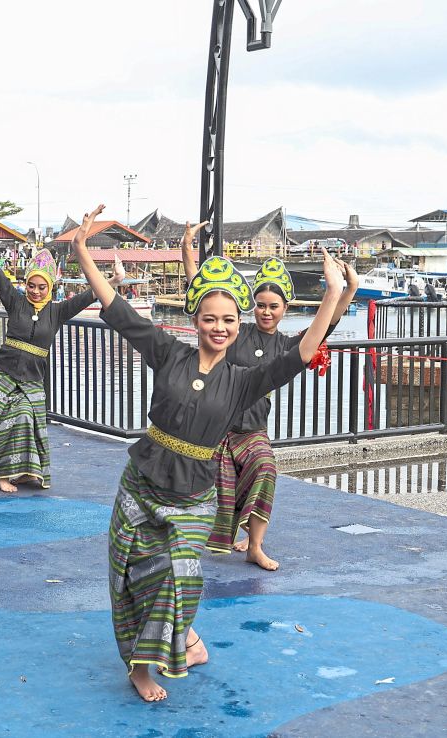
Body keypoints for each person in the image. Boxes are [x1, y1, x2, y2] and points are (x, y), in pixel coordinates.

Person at [71, 204, 345, 702]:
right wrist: (81, 251)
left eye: (229, 320)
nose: (220, 327)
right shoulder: (167, 351)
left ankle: (177, 641)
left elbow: (304, 352)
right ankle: (145, 663)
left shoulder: (244, 382)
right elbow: (118, 310)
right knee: (131, 571)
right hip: (142, 480)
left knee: (180, 578)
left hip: (196, 493)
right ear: (194, 319)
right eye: (210, 319)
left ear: (237, 324)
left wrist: (330, 293)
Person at [181, 224, 359, 570]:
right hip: (217, 428)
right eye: (260, 305)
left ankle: (256, 546)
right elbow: (204, 298)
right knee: (209, 481)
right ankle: (194, 539)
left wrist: (347, 289)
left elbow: (327, 324)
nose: (266, 311)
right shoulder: (235, 332)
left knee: (265, 467)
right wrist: (189, 251)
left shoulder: (287, 346)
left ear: (284, 307)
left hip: (252, 431)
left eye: (273, 306)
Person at [0, 215, 114, 493]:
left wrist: (114, 280)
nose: (35, 291)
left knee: (25, 418)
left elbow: (91, 294)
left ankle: (22, 471)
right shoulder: (15, 300)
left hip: (32, 379)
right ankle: (2, 474)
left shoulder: (58, 311)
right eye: (31, 286)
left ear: (51, 287)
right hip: (2, 374)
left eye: (41, 287)